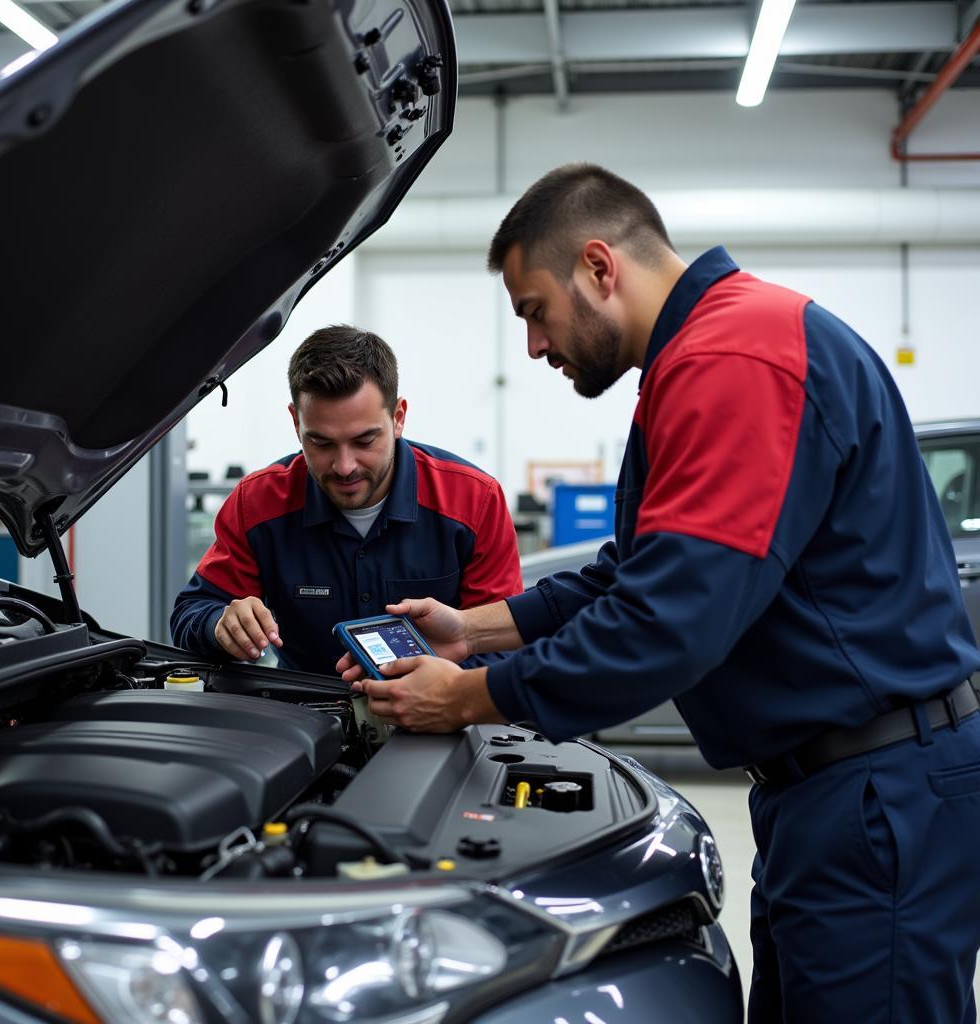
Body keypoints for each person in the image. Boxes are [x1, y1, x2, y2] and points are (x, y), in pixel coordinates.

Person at [339, 165, 980, 1023]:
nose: (532, 345)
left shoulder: (733, 360)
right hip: (828, 793)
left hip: (874, 795)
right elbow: (634, 570)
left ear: (600, 268)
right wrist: (474, 632)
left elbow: (665, 623)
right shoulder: (710, 352)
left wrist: (469, 700)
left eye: (534, 310)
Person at [172, 324, 522, 673]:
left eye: (364, 441)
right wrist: (220, 625)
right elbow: (191, 614)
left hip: (442, 716)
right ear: (296, 423)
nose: (344, 466)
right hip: (299, 718)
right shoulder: (258, 504)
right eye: (321, 443)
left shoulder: (474, 502)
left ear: (398, 418)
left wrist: (444, 687)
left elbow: (504, 644)